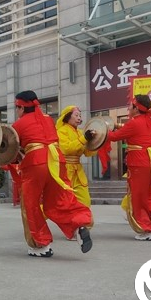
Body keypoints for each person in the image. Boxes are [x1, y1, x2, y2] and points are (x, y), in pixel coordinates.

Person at [12, 90, 93, 257]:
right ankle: (79, 226)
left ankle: (41, 245)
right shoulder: (49, 119)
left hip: (36, 163)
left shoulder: (18, 125)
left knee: (31, 204)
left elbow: (11, 150)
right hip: (58, 161)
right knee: (61, 199)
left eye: (16, 108)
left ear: (20, 107)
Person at [107, 95, 151, 241]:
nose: (128, 108)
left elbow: (114, 137)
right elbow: (130, 130)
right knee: (150, 193)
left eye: (130, 105)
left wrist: (98, 132)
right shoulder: (149, 121)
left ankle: (147, 230)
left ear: (136, 109)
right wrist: (118, 126)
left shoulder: (134, 123)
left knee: (138, 198)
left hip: (138, 163)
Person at [56, 105, 96, 208]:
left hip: (78, 171)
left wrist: (96, 142)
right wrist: (84, 138)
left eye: (80, 115)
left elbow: (87, 153)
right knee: (63, 202)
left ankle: (81, 222)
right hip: (65, 171)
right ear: (68, 116)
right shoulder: (61, 131)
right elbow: (66, 148)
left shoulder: (79, 132)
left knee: (85, 201)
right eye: (76, 115)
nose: (79, 118)